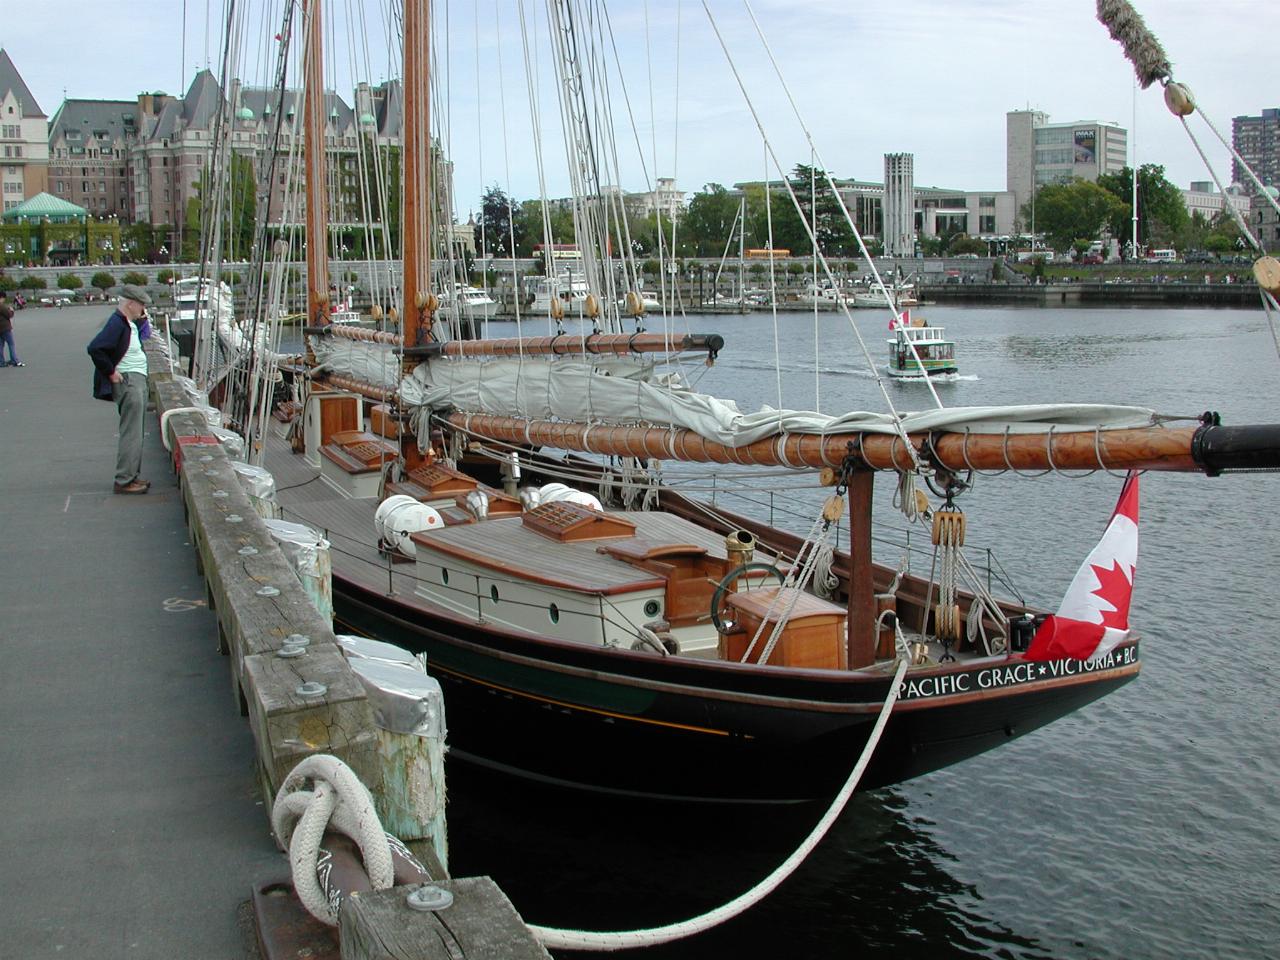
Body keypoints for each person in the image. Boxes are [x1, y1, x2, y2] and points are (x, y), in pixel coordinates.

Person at [87, 285, 154, 494]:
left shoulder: (127, 323)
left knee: (136, 431)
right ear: (130, 303)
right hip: (129, 382)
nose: (143, 308)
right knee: (132, 432)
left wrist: (142, 320)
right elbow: (95, 348)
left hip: (135, 380)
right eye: (141, 304)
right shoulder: (117, 323)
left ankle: (131, 476)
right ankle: (125, 479)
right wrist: (111, 373)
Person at [0, 291, 22, 366]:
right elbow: (9, 315)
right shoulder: (1, 305)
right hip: (5, 328)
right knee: (11, 344)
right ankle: (14, 360)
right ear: (2, 297)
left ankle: (1, 361)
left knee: (0, 345)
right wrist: (11, 310)